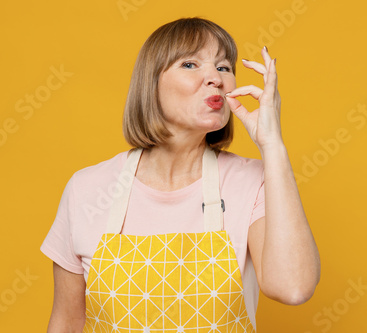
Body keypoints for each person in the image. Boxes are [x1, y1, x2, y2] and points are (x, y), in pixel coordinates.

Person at [40, 17, 320, 332]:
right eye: (190, 64)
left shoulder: (253, 181)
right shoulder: (88, 189)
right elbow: (67, 322)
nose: (215, 77)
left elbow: (292, 287)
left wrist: (273, 146)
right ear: (151, 83)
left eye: (224, 67)